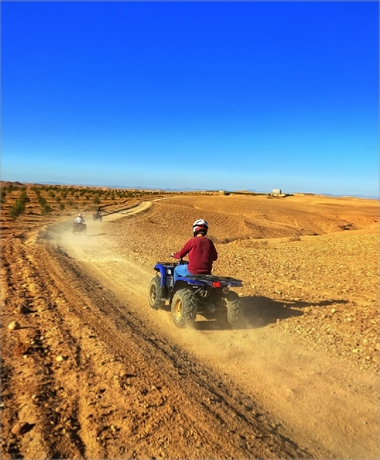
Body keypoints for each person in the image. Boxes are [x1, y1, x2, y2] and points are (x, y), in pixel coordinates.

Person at [172, 219, 218, 283]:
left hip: (192, 271)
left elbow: (180, 255)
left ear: (195, 229)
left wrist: (174, 255)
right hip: (207, 273)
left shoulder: (192, 241)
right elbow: (215, 257)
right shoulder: (210, 242)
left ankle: (175, 290)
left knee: (176, 270)